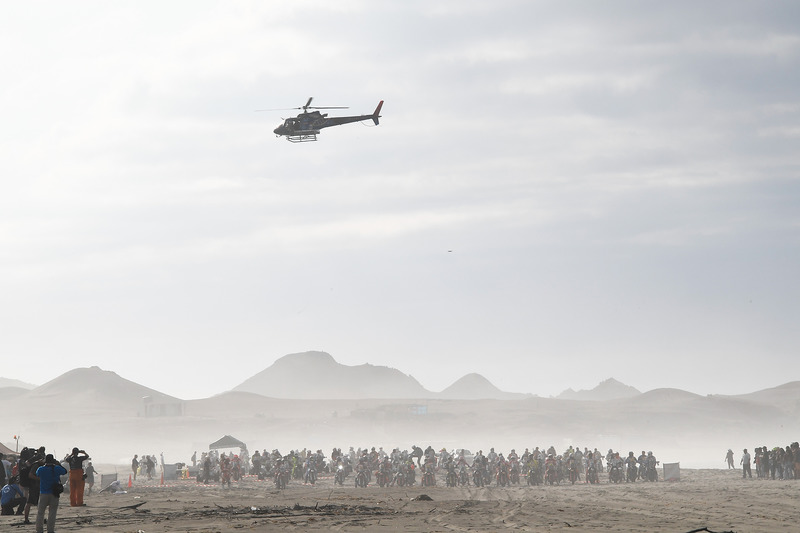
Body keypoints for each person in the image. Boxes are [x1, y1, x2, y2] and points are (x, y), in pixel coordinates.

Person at [33, 454, 67, 533]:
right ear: (53, 460)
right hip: (54, 493)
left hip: (44, 492)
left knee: (40, 513)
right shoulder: (57, 468)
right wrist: (58, 464)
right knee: (52, 513)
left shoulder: (41, 469)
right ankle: (50, 530)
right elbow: (65, 471)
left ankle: (39, 530)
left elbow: (37, 474)